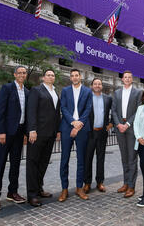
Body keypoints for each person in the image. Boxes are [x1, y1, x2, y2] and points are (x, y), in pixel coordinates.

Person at [0, 66, 28, 211]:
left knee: (16, 164)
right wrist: (0, 132)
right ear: (15, 74)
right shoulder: (7, 88)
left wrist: (25, 133)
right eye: (19, 73)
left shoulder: (27, 92)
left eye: (24, 73)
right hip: (6, 133)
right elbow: (0, 111)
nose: (22, 75)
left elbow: (26, 114)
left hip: (19, 133)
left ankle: (12, 192)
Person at [26, 69, 61, 207]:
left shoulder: (55, 92)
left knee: (43, 162)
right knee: (33, 163)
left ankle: (39, 188)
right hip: (38, 133)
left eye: (53, 75)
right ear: (43, 77)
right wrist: (32, 130)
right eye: (48, 75)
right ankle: (32, 194)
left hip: (51, 133)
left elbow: (57, 113)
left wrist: (58, 130)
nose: (51, 77)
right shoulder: (36, 90)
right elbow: (31, 110)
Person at [58, 69, 93, 202]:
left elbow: (88, 108)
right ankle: (64, 189)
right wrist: (73, 122)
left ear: (80, 76)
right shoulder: (66, 91)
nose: (74, 77)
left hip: (82, 128)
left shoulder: (87, 91)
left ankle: (79, 188)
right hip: (67, 127)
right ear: (70, 78)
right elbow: (64, 108)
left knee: (81, 159)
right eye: (72, 75)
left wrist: (79, 125)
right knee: (64, 159)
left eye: (76, 75)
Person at [111, 71, 142, 198]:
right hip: (120, 128)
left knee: (132, 158)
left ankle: (131, 186)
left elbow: (139, 110)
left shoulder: (138, 93)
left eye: (130, 77)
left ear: (132, 79)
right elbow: (113, 111)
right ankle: (125, 183)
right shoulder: (117, 93)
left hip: (131, 128)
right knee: (124, 157)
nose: (127, 79)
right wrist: (118, 124)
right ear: (122, 79)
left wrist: (127, 124)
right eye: (125, 77)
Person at [83, 78, 113, 194]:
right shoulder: (87, 98)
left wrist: (111, 123)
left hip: (102, 133)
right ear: (92, 86)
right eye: (95, 84)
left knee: (101, 158)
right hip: (90, 132)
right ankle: (87, 183)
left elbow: (114, 111)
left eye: (99, 84)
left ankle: (100, 182)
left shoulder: (108, 98)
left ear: (102, 86)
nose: (97, 85)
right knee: (88, 158)